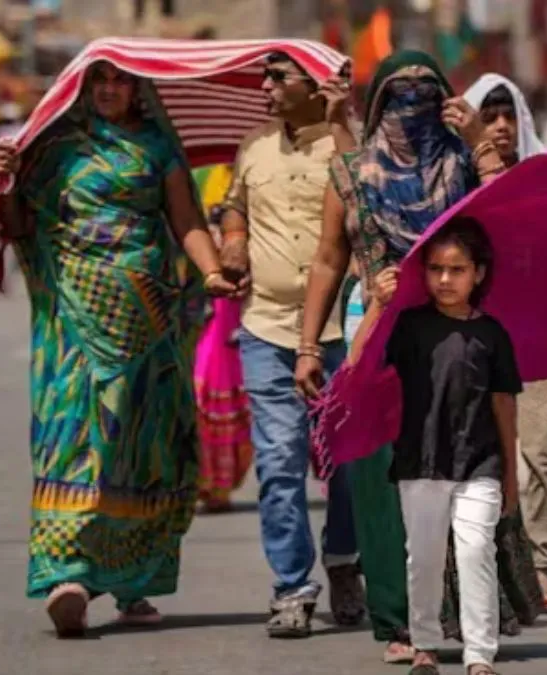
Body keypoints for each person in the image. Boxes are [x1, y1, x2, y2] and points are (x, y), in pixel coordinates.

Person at [0, 61, 236, 637]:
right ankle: (67, 573)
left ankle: (133, 582)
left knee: (140, 444)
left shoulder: (157, 148)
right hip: (73, 319)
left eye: (120, 80)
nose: (109, 89)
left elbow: (186, 222)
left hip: (148, 318)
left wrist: (212, 272)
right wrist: (6, 179)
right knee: (73, 437)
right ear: (81, 89)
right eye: (99, 81)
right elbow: (20, 226)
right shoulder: (54, 151)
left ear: (138, 89)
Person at [295, 55, 526, 663]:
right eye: (400, 93)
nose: (413, 104)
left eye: (427, 92)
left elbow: (508, 218)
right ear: (378, 104)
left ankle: (463, 617)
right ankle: (398, 621)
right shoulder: (351, 173)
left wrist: (478, 140)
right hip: (373, 332)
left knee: (461, 468)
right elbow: (328, 259)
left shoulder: (461, 165)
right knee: (379, 479)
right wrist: (308, 345)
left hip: (454, 341)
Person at [218, 51, 365, 638]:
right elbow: (234, 207)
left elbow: (368, 210)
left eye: (280, 77)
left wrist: (342, 125)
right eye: (265, 76)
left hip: (342, 331)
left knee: (347, 463)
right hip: (267, 328)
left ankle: (346, 560)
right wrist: (233, 242)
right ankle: (292, 587)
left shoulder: (350, 145)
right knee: (279, 463)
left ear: (315, 83)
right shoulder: (253, 147)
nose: (266, 86)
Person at [350, 221, 518, 675]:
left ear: (478, 274)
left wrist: (510, 475)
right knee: (423, 557)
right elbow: (357, 363)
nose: (445, 279)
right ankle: (424, 643)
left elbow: (504, 405)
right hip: (419, 461)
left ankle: (479, 654)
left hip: (480, 462)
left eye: (457, 270)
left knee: (476, 551)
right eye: (436, 269)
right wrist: (378, 305)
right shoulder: (407, 325)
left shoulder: (493, 334)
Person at [463, 74, 547, 615]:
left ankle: (541, 568)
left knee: (543, 451)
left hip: (538, 337)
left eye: (510, 116)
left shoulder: (546, 180)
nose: (502, 127)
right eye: (489, 117)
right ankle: (486, 570)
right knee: (479, 457)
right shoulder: (455, 180)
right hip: (471, 340)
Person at [193, 162, 253, 513]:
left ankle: (219, 483)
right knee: (199, 391)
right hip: (198, 296)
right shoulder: (202, 175)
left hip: (238, 302)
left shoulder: (252, 171)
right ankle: (203, 480)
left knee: (224, 390)